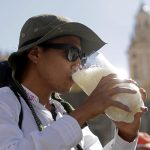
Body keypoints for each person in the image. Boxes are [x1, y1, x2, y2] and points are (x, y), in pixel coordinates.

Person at [0, 14, 147, 150]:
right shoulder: (5, 101)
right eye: (72, 53)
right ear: (35, 54)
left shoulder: (64, 112)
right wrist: (83, 112)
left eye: (81, 57)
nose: (79, 64)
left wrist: (125, 135)